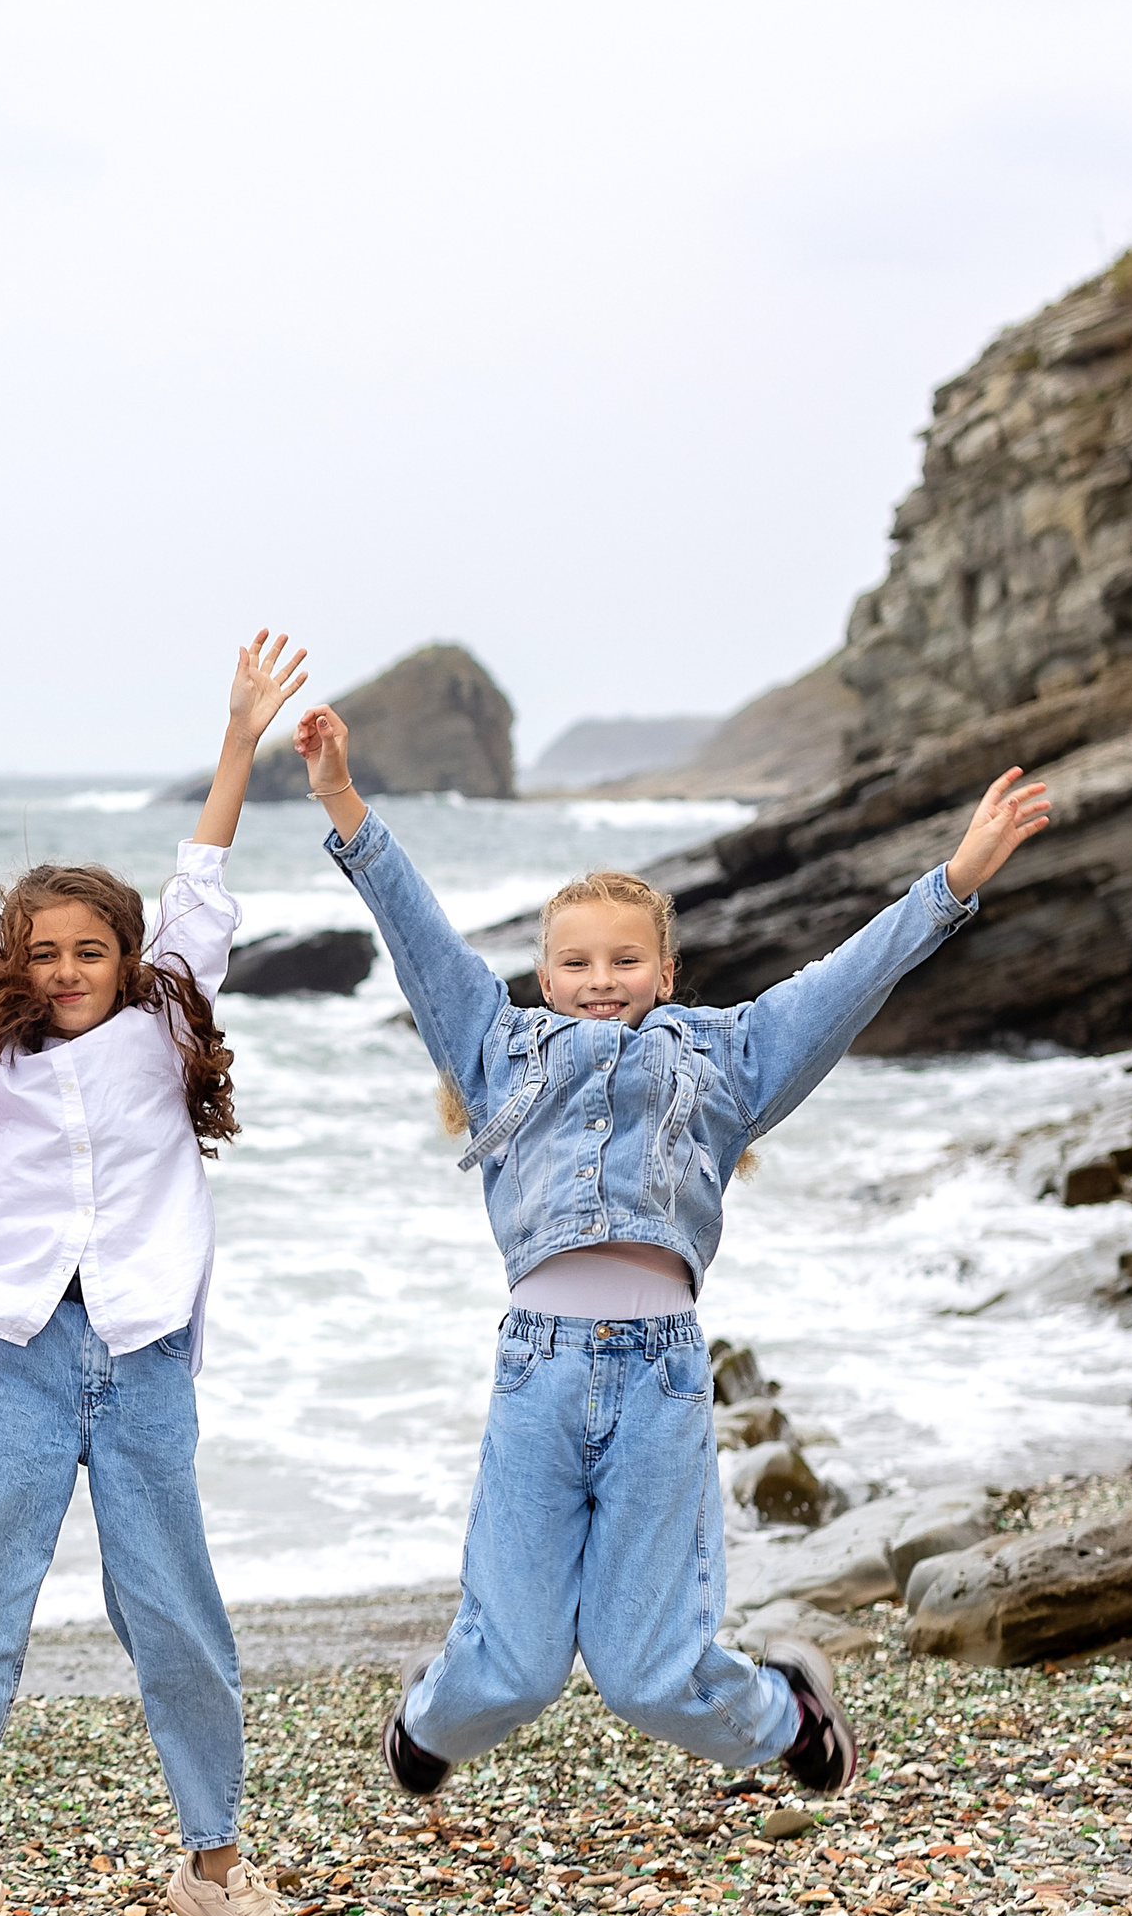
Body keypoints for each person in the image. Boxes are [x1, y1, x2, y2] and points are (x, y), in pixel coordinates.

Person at [294, 697, 1053, 1798]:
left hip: (657, 1377)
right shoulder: (494, 1046)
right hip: (537, 1371)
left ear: (664, 971)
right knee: (510, 1670)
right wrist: (336, 797)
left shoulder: (729, 1061)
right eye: (572, 962)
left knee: (649, 1677)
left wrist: (954, 881)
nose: (598, 980)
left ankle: (788, 1711)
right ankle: (427, 1719)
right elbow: (417, 933)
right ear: (542, 978)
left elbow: (845, 983)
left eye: (623, 959)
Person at [0, 635, 322, 1916]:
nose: (62, 970)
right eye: (40, 954)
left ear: (124, 958)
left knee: (175, 1617)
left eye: (87, 949)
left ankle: (218, 1874)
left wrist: (237, 743)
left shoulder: (165, 1029)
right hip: (23, 1357)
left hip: (147, 1359)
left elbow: (200, 894)